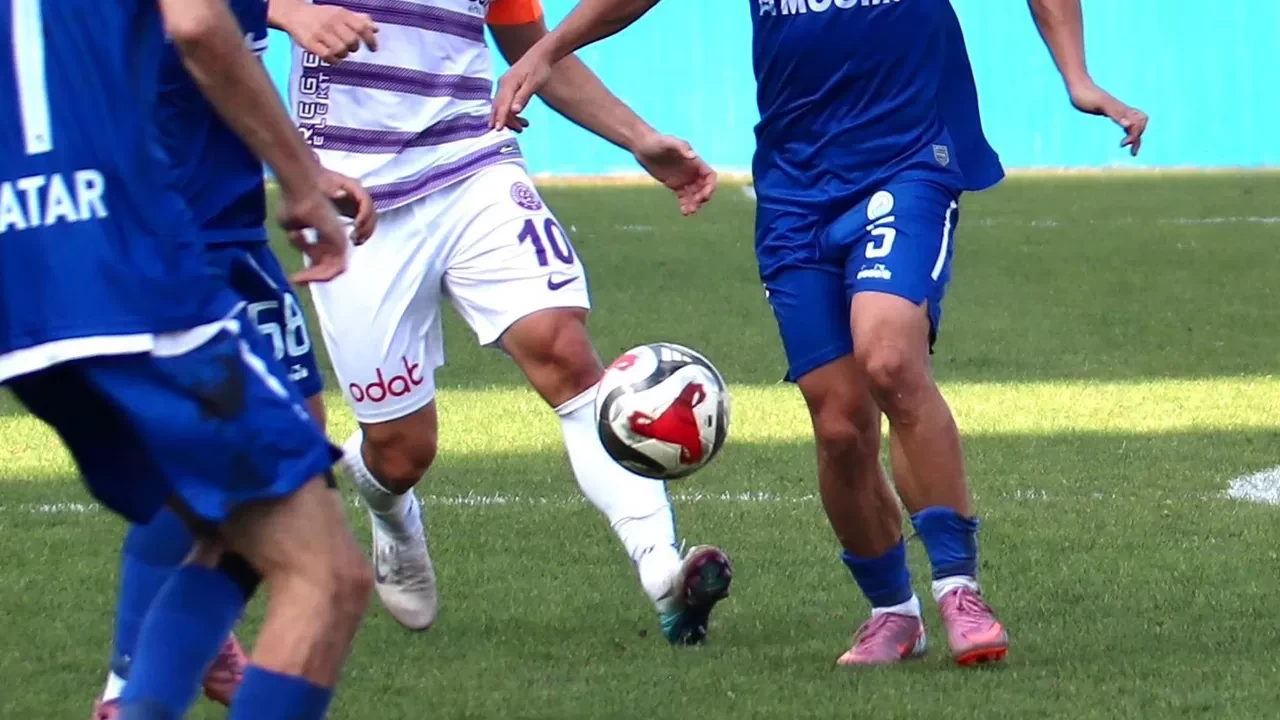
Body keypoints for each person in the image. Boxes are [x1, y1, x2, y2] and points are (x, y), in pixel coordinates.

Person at [491, 0, 1149, 666]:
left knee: (890, 359)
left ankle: (959, 590)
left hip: (908, 157)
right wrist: (546, 51)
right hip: (795, 183)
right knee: (838, 424)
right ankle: (893, 613)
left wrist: (1077, 76)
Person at [266, 0, 727, 644]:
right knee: (402, 452)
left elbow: (531, 47)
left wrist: (637, 137)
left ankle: (662, 572)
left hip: (472, 164)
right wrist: (289, 12)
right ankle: (391, 511)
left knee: (563, 349)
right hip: (350, 191)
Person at [1, 0, 373, 717]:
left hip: (23, 287)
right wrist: (301, 179)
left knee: (238, 512)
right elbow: (198, 24)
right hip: (126, 269)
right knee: (326, 575)